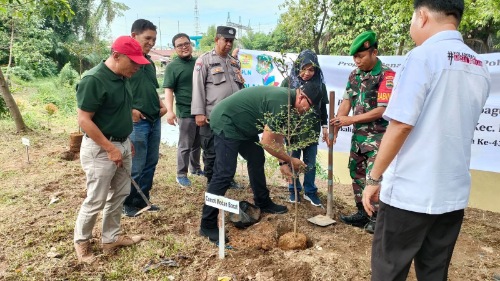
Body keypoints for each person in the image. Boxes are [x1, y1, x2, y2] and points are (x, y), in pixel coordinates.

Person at [361, 1, 491, 280]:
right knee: (434, 272)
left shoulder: (422, 57)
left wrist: (373, 179)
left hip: (410, 194)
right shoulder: (478, 65)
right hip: (451, 194)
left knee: (389, 270)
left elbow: (401, 125)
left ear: (422, 16)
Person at [199, 83, 323, 243]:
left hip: (244, 126)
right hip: (227, 121)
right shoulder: (282, 103)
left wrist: (282, 163)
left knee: (256, 157)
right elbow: (266, 141)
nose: (307, 111)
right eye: (309, 106)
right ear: (301, 97)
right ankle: (207, 225)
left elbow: (276, 136)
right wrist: (290, 159)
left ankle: (263, 202)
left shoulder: (288, 103)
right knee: (224, 173)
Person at [74, 36, 150, 264]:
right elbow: (84, 120)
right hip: (101, 148)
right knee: (95, 199)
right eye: (133, 62)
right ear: (116, 55)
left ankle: (110, 238)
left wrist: (126, 140)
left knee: (119, 194)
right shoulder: (93, 80)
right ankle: (82, 243)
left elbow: (118, 109)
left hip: (122, 143)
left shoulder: (123, 77)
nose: (137, 67)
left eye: (140, 63)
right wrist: (110, 148)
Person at [330, 30, 395, 233]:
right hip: (358, 138)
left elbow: (383, 110)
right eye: (354, 57)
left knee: (373, 178)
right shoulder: (354, 75)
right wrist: (338, 124)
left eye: (361, 56)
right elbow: (347, 101)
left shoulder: (386, 74)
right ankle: (362, 212)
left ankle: (376, 217)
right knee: (356, 173)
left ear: (373, 52)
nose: (357, 61)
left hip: (378, 138)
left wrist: (350, 119)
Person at [122, 19, 167, 217]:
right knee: (136, 165)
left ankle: (143, 199)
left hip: (154, 119)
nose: (151, 42)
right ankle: (128, 204)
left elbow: (151, 87)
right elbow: (116, 91)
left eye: (154, 39)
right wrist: (129, 109)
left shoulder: (148, 63)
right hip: (137, 123)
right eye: (147, 38)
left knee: (151, 162)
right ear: (134, 36)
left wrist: (161, 104)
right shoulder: (124, 61)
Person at [191, 26, 245, 188]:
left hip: (232, 117)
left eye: (231, 41)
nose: (228, 44)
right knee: (211, 151)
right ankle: (212, 180)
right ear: (216, 40)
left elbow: (240, 87)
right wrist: (199, 113)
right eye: (225, 40)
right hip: (211, 116)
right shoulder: (204, 60)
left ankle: (228, 178)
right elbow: (198, 87)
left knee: (230, 149)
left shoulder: (234, 62)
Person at [280, 49, 329, 207]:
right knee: (292, 161)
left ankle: (310, 191)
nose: (307, 73)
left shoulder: (320, 86)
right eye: (304, 68)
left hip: (311, 131)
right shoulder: (288, 82)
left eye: (311, 69)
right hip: (292, 132)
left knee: (310, 163)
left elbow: (323, 110)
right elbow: (280, 107)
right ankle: (293, 190)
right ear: (297, 67)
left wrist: (325, 127)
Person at [163, 33, 204, 188]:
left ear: (191, 45)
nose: (184, 47)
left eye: (186, 43)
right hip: (185, 111)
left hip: (201, 111)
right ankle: (181, 174)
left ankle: (196, 168)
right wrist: (169, 111)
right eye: (179, 45)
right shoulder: (173, 67)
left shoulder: (199, 62)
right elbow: (169, 90)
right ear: (175, 49)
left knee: (197, 143)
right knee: (185, 144)